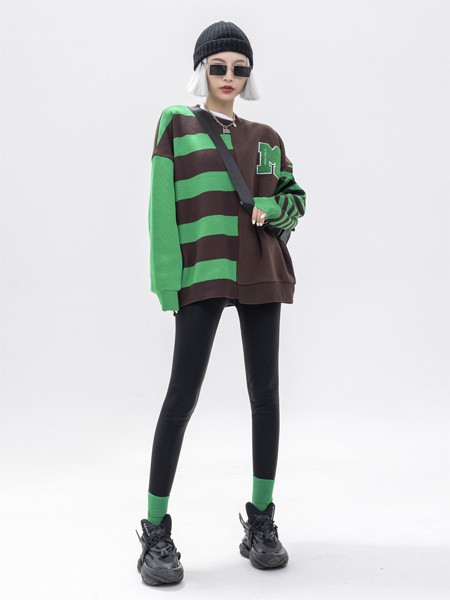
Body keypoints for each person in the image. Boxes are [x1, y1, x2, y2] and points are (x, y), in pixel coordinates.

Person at [135, 21, 307, 586]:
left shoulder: (267, 137)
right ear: (201, 70)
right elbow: (162, 209)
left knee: (266, 396)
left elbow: (295, 199)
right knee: (181, 396)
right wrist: (168, 283)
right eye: (218, 67)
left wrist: (272, 209)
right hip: (202, 272)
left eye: (239, 68)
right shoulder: (176, 124)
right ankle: (155, 530)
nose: (229, 76)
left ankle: (261, 522)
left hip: (261, 271)